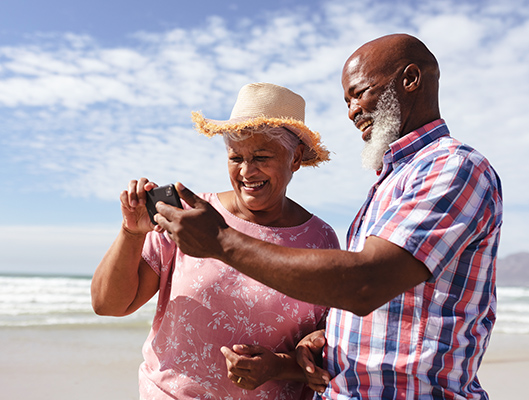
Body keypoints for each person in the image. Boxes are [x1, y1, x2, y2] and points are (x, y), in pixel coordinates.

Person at [153, 34, 503, 400]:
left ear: (410, 80)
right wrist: (323, 340)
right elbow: (390, 312)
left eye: (359, 92)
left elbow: (366, 284)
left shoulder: (452, 168)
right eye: (346, 100)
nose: (352, 111)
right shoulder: (394, 180)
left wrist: (221, 241)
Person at [91, 82, 340, 399]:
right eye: (236, 157)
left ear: (295, 157)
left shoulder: (320, 239)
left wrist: (280, 364)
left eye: (261, 156)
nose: (247, 171)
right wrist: (130, 233)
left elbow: (327, 342)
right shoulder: (190, 217)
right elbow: (108, 304)